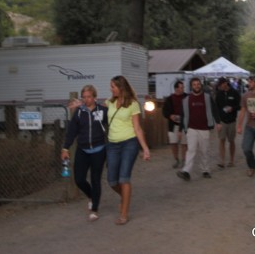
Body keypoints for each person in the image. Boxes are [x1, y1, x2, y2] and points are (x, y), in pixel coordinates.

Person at [106, 75, 151, 225]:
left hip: (129, 144)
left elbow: (137, 128)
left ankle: (124, 213)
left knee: (123, 178)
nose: (110, 89)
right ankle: (124, 197)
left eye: (113, 86)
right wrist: (81, 105)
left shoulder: (133, 104)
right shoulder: (109, 102)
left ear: (121, 87)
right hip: (112, 144)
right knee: (112, 181)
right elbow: (94, 107)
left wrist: (145, 149)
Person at [61, 84, 108, 222]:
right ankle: (91, 196)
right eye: (84, 97)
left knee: (95, 179)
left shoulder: (102, 110)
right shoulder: (80, 112)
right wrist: (65, 148)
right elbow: (72, 132)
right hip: (83, 150)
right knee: (79, 179)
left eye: (89, 97)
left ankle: (94, 209)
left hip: (99, 150)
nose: (87, 99)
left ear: (95, 97)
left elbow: (111, 122)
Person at [176, 77, 221, 181]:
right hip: (191, 128)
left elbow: (214, 110)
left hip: (204, 128)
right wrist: (180, 129)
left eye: (198, 84)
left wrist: (218, 122)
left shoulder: (207, 97)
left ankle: (205, 170)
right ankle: (186, 171)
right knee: (191, 150)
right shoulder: (186, 100)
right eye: (194, 84)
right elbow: (183, 115)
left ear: (201, 85)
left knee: (204, 151)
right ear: (191, 87)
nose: (197, 86)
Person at [215, 77, 240, 168]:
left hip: (232, 121)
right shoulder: (218, 94)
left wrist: (232, 108)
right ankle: (222, 161)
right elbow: (216, 108)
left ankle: (231, 160)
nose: (220, 86)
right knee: (221, 140)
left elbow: (239, 106)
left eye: (222, 84)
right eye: (219, 85)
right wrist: (217, 122)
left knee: (231, 141)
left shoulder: (234, 92)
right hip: (222, 121)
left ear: (226, 83)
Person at [162, 80, 187, 168]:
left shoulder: (186, 97)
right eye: (181, 87)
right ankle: (176, 159)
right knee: (174, 143)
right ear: (176, 88)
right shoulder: (169, 99)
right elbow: (164, 111)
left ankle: (184, 160)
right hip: (173, 125)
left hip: (184, 124)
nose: (183, 89)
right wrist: (170, 116)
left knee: (184, 143)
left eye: (183, 87)